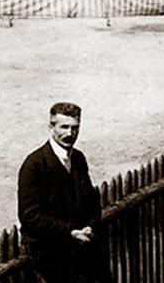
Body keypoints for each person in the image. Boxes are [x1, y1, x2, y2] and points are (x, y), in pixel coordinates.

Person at [18, 102, 109, 283]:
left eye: (75, 128)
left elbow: (91, 201)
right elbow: (30, 217)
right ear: (51, 127)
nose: (69, 134)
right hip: (48, 252)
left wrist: (90, 226)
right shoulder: (34, 164)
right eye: (64, 127)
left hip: (81, 246)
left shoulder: (78, 158)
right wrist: (70, 232)